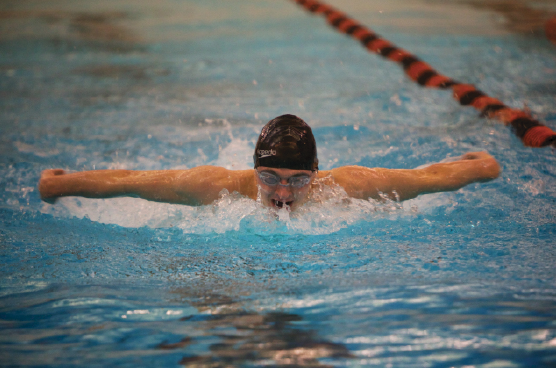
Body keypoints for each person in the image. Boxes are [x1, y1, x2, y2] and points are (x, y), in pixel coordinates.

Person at [39, 114, 500, 211]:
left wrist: (482, 166)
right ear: (252, 170)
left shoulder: (349, 186)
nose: (281, 194)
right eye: (268, 178)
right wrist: (60, 184)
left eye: (298, 180)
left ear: (316, 175)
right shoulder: (213, 186)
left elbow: (429, 178)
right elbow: (132, 182)